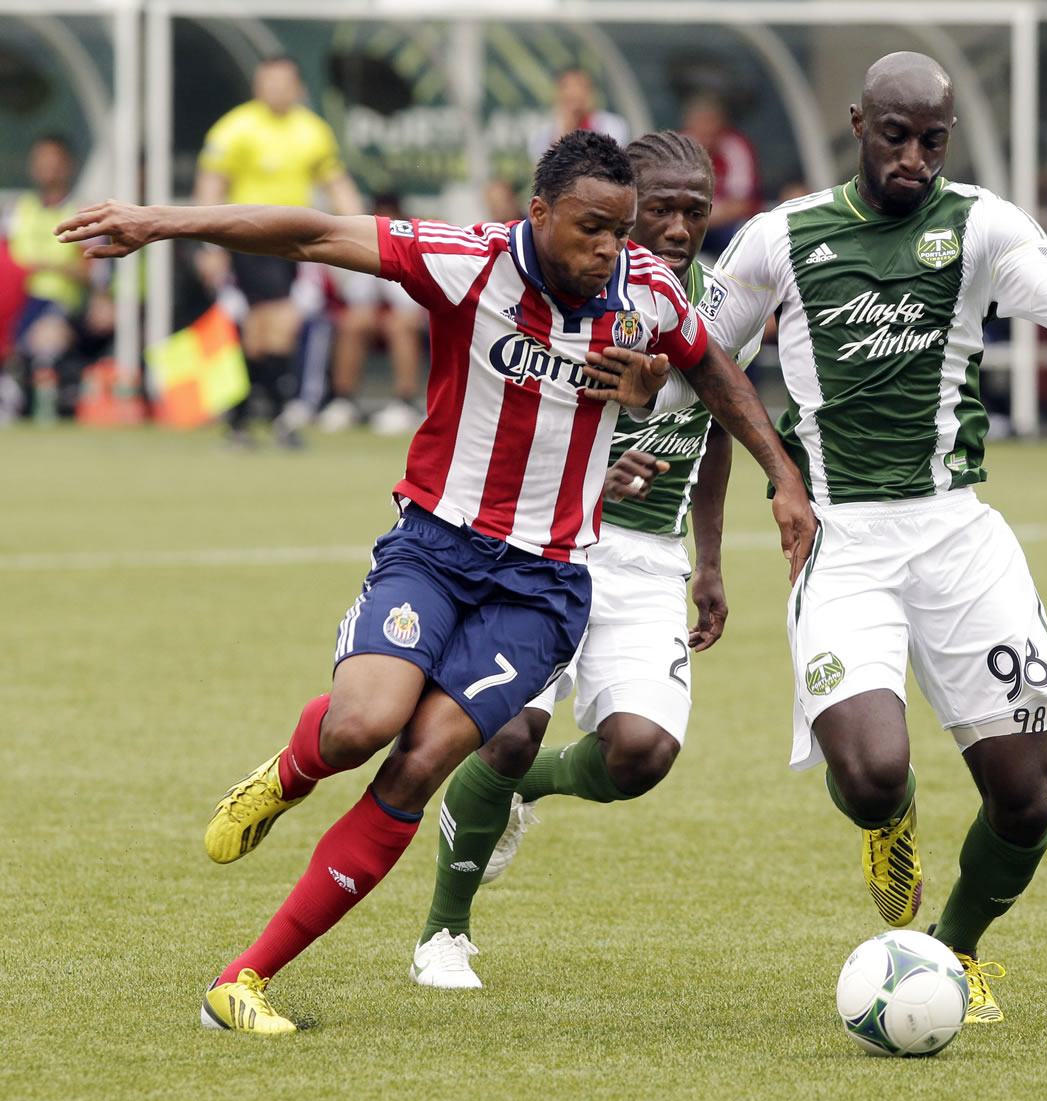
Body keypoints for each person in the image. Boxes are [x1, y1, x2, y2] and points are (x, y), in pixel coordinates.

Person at [57, 129, 817, 1034]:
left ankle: (247, 977)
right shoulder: (465, 261)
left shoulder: (644, 292)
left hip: (542, 586)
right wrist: (162, 222)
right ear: (537, 214)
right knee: (361, 727)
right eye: (591, 229)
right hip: (436, 548)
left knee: (421, 761)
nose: (611, 251)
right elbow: (310, 234)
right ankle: (294, 766)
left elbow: (713, 370)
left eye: (621, 231)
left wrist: (784, 476)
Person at [699, 52, 1047, 1024]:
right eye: (895, 136)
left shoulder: (981, 222)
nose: (913, 157)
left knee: (1027, 797)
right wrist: (758, 482)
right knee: (870, 774)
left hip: (958, 536)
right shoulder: (780, 239)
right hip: (846, 540)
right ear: (858, 124)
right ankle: (888, 823)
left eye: (932, 141)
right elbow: (701, 357)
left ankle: (954, 949)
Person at [407, 130, 747, 988]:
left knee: (641, 755)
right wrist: (602, 470)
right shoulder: (579, 286)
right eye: (658, 209)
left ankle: (519, 790)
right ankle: (444, 932)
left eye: (693, 211)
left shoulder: (721, 304)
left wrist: (710, 559)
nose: (674, 227)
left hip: (650, 560)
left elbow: (714, 431)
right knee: (511, 727)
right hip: (551, 542)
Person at [195, 55, 364, 448]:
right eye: (266, 81)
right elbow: (211, 186)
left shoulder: (312, 131)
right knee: (277, 322)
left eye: (282, 82)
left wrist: (363, 226)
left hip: (294, 245)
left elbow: (336, 182)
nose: (274, 89)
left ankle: (245, 417)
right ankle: (276, 415)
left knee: (262, 330)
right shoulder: (236, 128)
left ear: (298, 87)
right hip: (247, 240)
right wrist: (209, 244)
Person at [319, 195, 428, 436]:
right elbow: (355, 294)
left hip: (409, 321)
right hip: (374, 318)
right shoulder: (361, 243)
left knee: (400, 325)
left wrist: (390, 265)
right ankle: (343, 401)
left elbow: (412, 302)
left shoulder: (416, 244)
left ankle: (406, 403)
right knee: (353, 321)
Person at [4, 134, 90, 421]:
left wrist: (47, 266)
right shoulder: (19, 208)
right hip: (16, 302)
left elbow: (89, 270)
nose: (48, 167)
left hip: (58, 302)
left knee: (44, 339)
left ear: (68, 166)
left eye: (54, 161)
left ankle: (40, 404)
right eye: (42, 161)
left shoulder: (79, 212)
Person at [679, 93, 761, 258]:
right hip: (688, 222)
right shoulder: (679, 146)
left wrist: (702, 215)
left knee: (744, 240)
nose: (707, 128)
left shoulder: (736, 146)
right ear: (690, 124)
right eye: (702, 122)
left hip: (724, 226)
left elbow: (741, 204)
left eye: (712, 121)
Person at [527, 68, 630, 162]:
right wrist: (563, 130)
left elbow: (610, 161)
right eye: (567, 87)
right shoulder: (542, 134)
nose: (574, 93)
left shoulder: (612, 125)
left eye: (580, 86)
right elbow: (547, 170)